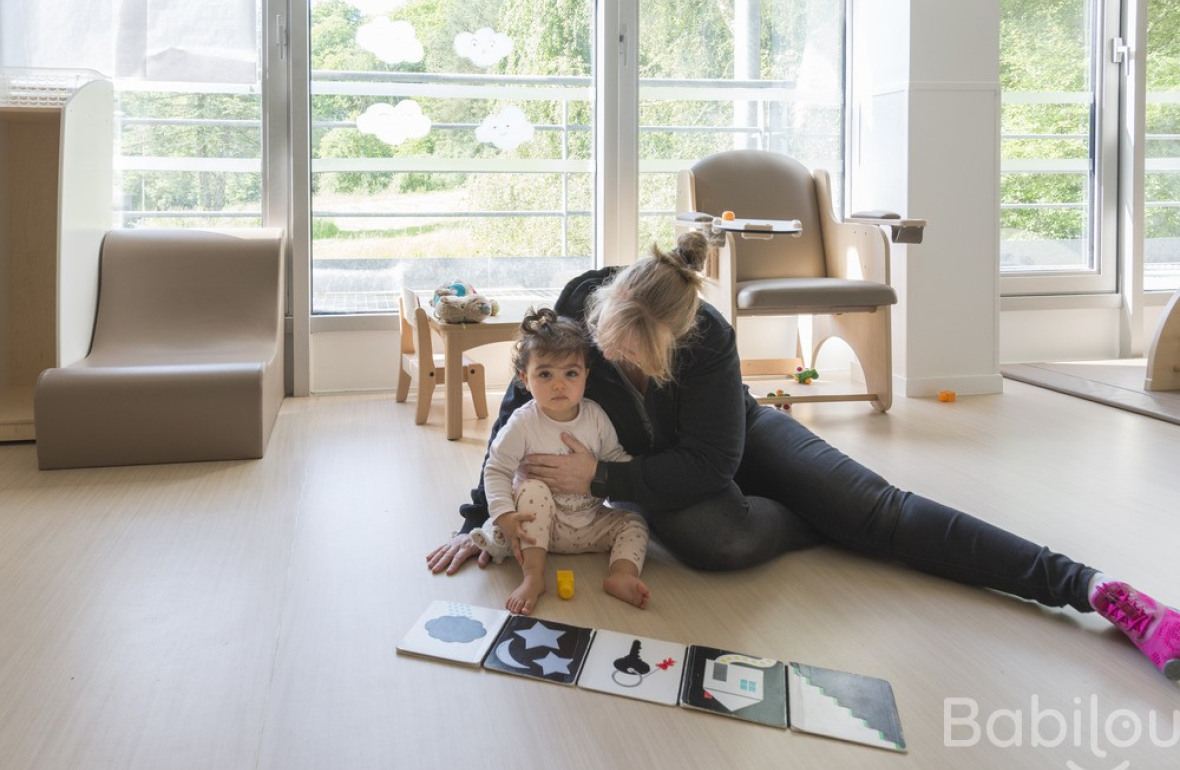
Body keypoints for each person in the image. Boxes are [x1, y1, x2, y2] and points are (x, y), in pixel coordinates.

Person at [426, 232, 1180, 680]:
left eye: (649, 362)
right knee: (706, 540)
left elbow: (713, 465)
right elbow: (520, 408)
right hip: (667, 481)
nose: (634, 372)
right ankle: (818, 522)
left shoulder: (709, 336)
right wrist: (474, 519)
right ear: (598, 316)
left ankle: (1091, 587)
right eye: (620, 357)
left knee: (881, 513)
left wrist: (605, 478)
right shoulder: (577, 304)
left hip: (731, 443)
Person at [467, 308, 649, 615]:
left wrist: (635, 474)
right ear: (525, 379)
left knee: (634, 522)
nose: (559, 385)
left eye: (571, 373)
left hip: (588, 523)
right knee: (533, 489)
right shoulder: (523, 423)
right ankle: (534, 577)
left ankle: (622, 575)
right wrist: (504, 514)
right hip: (538, 528)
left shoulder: (595, 417)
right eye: (545, 374)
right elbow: (497, 469)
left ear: (586, 376)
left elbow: (616, 459)